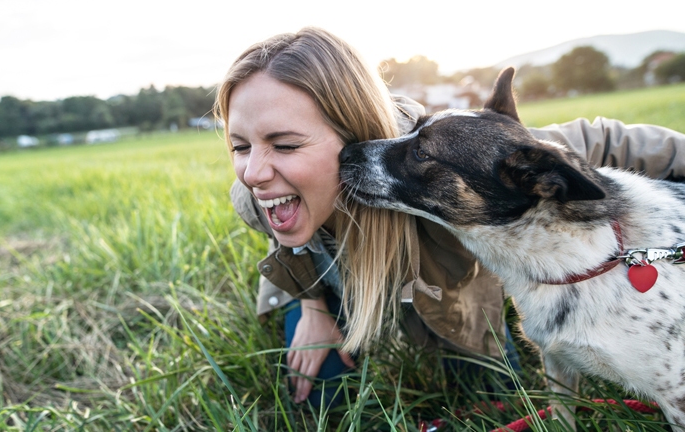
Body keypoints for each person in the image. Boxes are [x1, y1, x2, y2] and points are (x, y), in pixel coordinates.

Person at [215, 26, 685, 408]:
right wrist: (312, 308)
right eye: (240, 146)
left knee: (490, 398)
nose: (254, 172)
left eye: (285, 144)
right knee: (321, 400)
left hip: (445, 297)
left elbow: (601, 139)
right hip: (342, 282)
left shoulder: (449, 155)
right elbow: (291, 246)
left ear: (351, 130)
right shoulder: (256, 196)